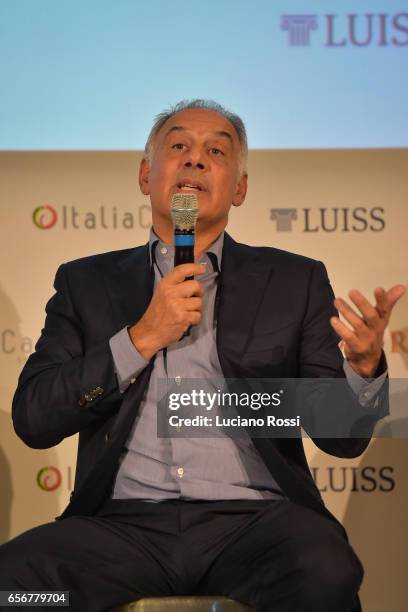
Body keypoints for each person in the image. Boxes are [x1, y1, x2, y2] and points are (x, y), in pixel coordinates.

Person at [0, 100, 405, 612]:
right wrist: (142, 336)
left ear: (239, 188)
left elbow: (341, 439)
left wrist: (363, 370)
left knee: (325, 568)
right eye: (178, 146)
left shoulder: (292, 281)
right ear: (147, 175)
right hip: (121, 526)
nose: (195, 159)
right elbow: (35, 417)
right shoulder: (86, 283)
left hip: (256, 524)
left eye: (215, 150)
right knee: (16, 587)